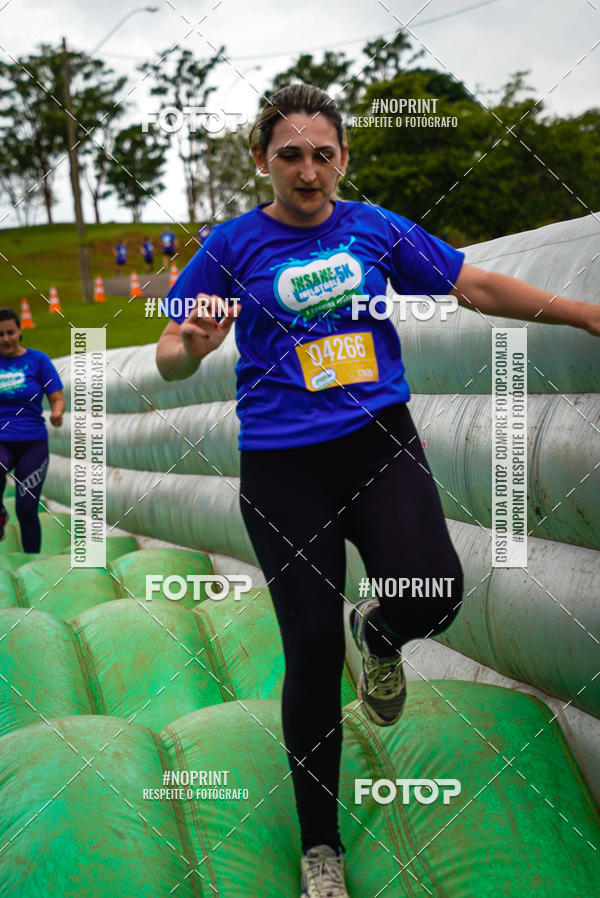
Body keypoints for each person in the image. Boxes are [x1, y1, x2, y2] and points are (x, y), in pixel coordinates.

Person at [155, 84, 600, 898]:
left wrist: (583, 312)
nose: (308, 170)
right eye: (290, 154)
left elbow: (474, 284)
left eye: (323, 154)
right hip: (284, 468)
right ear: (262, 161)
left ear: (343, 158)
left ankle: (383, 631)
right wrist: (191, 343)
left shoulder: (375, 229)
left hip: (377, 444)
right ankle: (320, 849)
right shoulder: (230, 246)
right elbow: (169, 356)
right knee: (312, 651)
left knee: (436, 589)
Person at [0, 308, 65, 552]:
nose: (6, 339)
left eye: (10, 332)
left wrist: (57, 412)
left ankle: (32, 562)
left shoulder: (38, 361)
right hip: (1, 440)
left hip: (32, 443)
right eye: (0, 334)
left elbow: (56, 397)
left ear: (20, 331)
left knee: (27, 509)